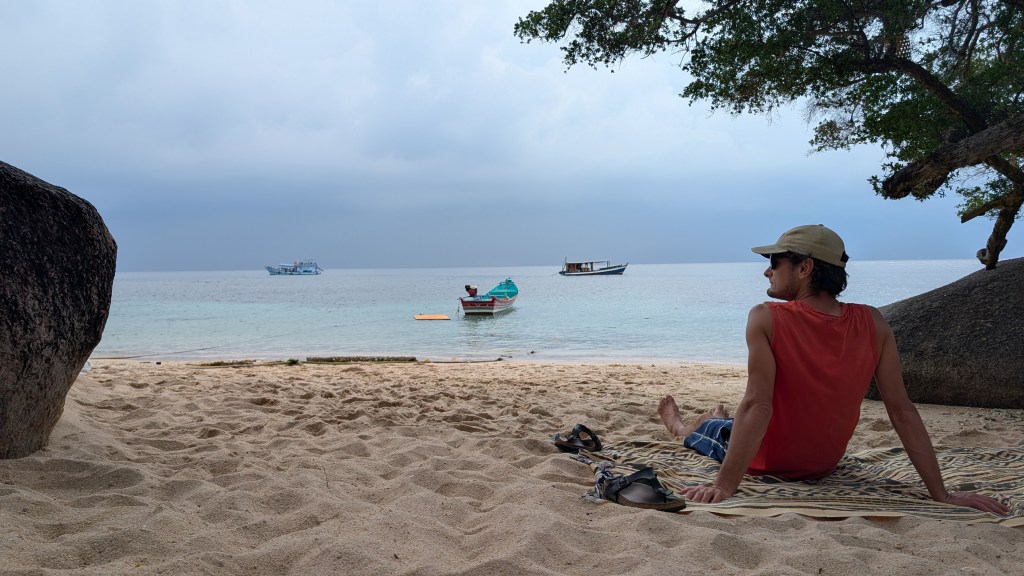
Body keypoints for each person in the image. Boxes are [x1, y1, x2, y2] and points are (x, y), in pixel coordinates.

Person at [658, 224, 1010, 515]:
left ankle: (681, 424)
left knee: (712, 430)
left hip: (764, 462)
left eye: (775, 262)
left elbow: (758, 406)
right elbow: (902, 410)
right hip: (822, 465)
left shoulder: (765, 317)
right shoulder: (873, 322)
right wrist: (941, 494)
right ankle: (718, 416)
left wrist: (723, 486)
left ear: (804, 268)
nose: (767, 271)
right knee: (732, 419)